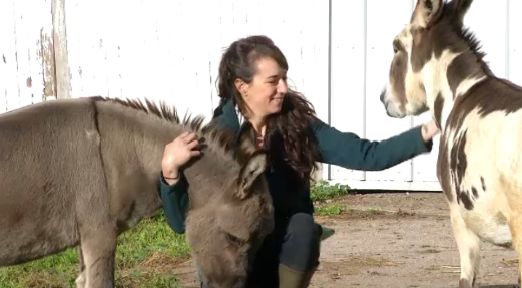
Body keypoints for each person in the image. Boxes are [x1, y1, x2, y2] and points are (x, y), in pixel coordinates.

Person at [159, 35, 439, 288]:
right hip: (234, 262)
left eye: (284, 78)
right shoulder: (216, 140)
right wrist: (170, 172)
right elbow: (182, 223)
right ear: (242, 87)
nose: (283, 88)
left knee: (302, 226)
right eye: (272, 81)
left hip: (283, 249)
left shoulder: (298, 126)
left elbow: (368, 155)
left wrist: (427, 129)